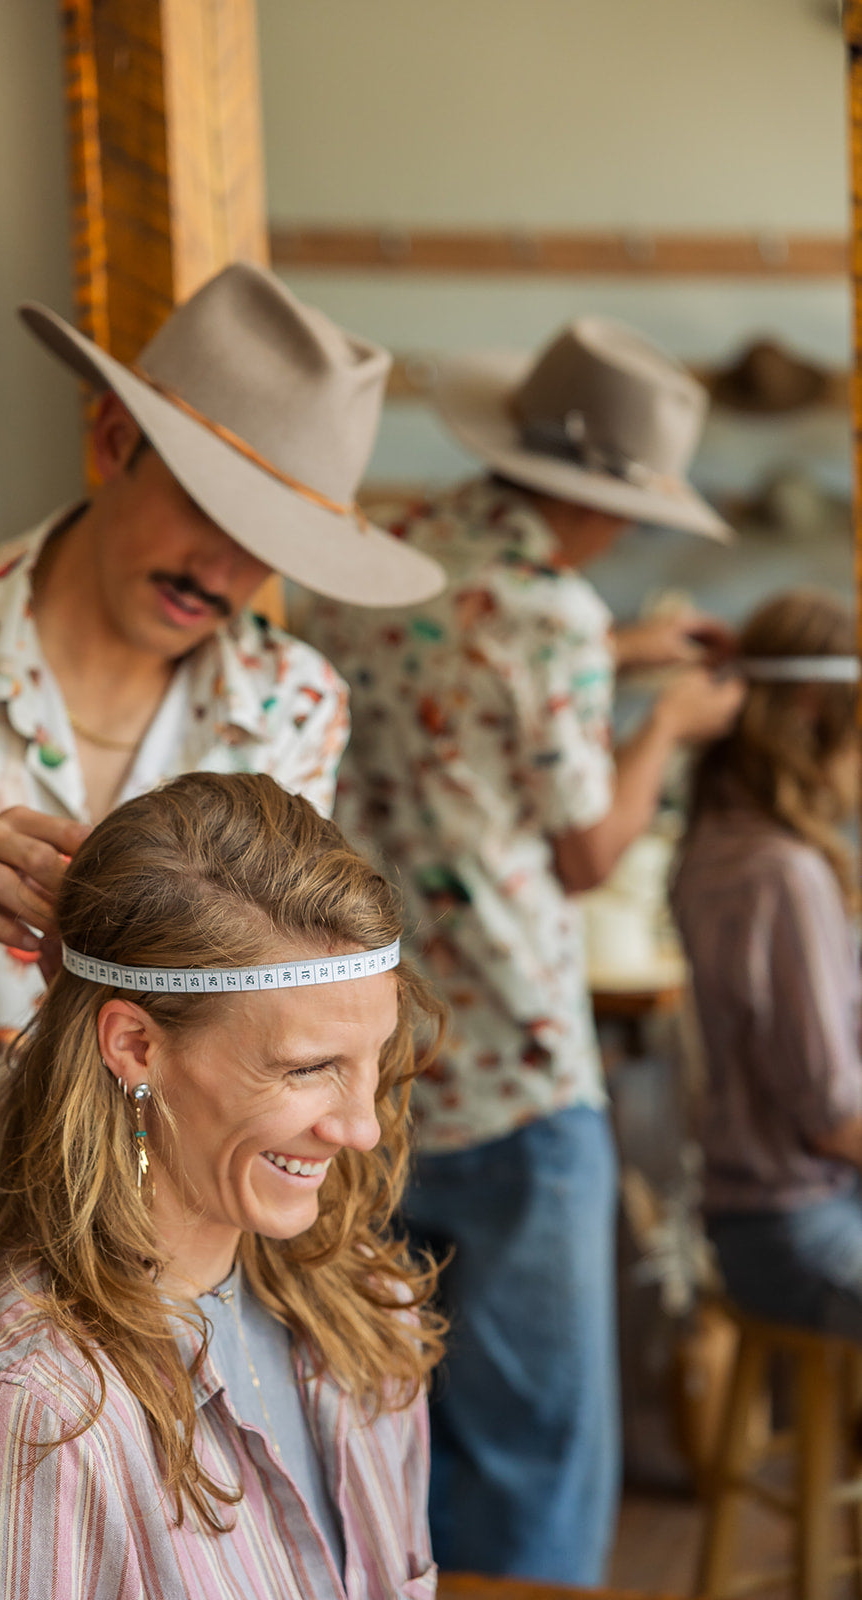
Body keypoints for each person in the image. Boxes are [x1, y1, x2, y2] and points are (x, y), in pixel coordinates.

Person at [0, 260, 443, 1600]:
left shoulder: (289, 700)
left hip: (196, 1343)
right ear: (108, 440)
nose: (227, 568)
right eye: (210, 508)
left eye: (274, 537)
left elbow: (275, 1026)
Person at [304, 316, 744, 1583]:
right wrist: (664, 722)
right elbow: (585, 852)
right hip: (517, 1059)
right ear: (597, 502)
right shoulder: (548, 609)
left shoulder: (390, 559)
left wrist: (617, 649)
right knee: (541, 1438)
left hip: (374, 1061)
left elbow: (459, 670)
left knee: (395, 1426)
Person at [0, 771, 444, 1600]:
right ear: (136, 1046)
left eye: (370, 1061)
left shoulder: (366, 1306)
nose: (361, 1127)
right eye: (308, 1068)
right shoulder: (33, 1417)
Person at [671, 590, 862, 1338]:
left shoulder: (713, 841)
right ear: (816, 712)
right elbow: (830, 1115)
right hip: (794, 1226)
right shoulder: (783, 872)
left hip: (752, 1217)